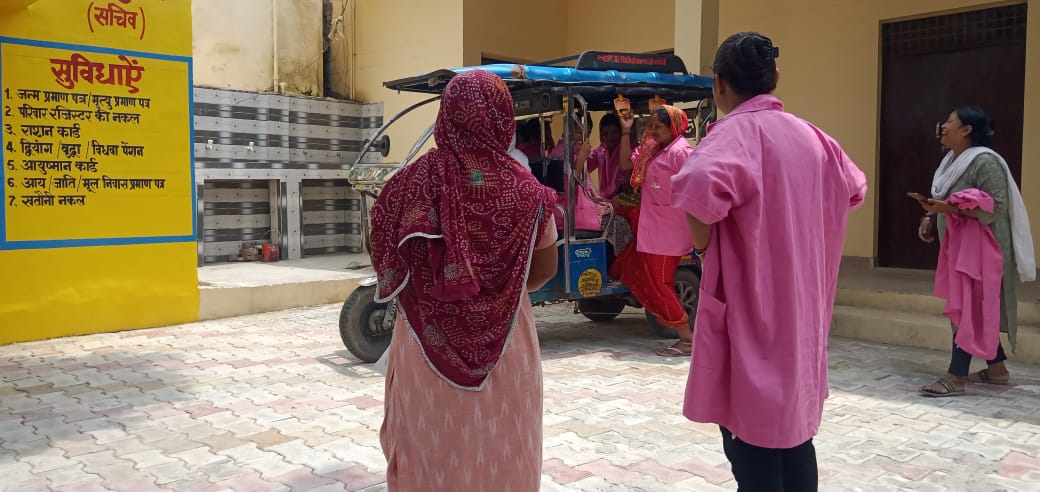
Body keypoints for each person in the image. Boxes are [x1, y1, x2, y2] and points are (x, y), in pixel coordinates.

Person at [671, 32, 867, 490]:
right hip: (802, 313)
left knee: (753, 446)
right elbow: (854, 189)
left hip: (753, 314)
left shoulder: (731, 136)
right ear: (775, 75)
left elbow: (695, 190)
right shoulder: (814, 137)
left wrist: (705, 248)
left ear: (719, 84)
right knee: (795, 440)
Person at [369, 70, 559, 491]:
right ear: (503, 118)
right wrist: (500, 290)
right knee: (503, 446)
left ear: (447, 114)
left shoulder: (410, 183)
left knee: (429, 450)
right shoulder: (527, 190)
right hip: (508, 345)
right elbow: (545, 270)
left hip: (424, 343)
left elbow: (384, 244)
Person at [917, 106, 1035, 397]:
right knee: (973, 306)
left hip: (983, 251)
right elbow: (944, 198)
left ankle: (956, 377)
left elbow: (997, 207)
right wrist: (931, 216)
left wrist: (951, 210)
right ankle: (997, 370)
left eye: (950, 121)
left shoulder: (985, 162)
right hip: (959, 248)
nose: (943, 126)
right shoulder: (950, 161)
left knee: (968, 307)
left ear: (966, 130)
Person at [611, 104, 696, 356]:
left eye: (658, 126)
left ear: (673, 127)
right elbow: (625, 163)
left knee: (660, 283)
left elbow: (696, 185)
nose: (653, 131)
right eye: (651, 126)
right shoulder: (653, 149)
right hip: (650, 229)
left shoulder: (681, 152)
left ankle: (687, 339)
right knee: (637, 272)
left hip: (669, 232)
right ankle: (681, 331)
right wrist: (626, 130)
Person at [550, 112, 602, 238]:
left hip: (586, 220)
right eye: (575, 125)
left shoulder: (578, 152)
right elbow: (570, 187)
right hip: (573, 223)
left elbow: (589, 189)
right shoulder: (562, 153)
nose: (579, 128)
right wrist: (580, 159)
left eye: (584, 126)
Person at [587, 113, 632, 200]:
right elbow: (583, 168)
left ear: (620, 132)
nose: (610, 137)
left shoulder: (630, 146)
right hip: (605, 201)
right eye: (605, 134)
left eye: (614, 133)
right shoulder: (599, 150)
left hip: (628, 201)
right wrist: (593, 191)